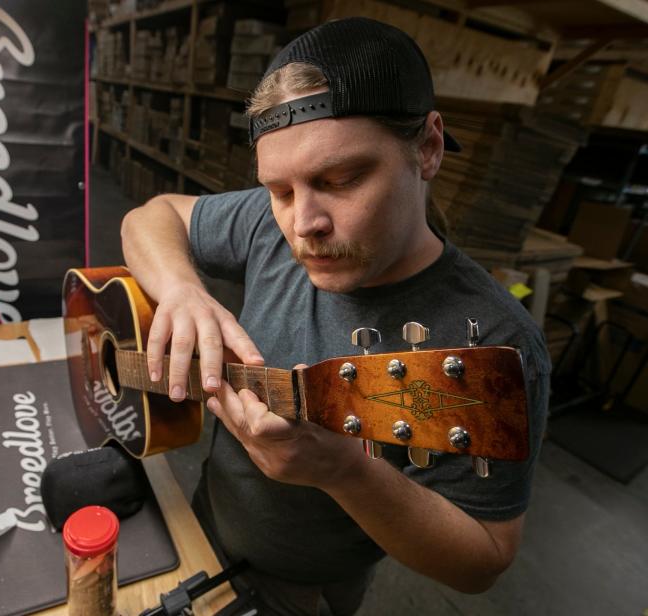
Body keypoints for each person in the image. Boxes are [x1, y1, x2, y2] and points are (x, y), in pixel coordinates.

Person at [120, 17, 550, 616]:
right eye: (280, 190)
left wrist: (346, 473)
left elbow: (483, 559)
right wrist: (181, 290)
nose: (303, 224)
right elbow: (150, 215)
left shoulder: (494, 342)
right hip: (202, 526)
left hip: (305, 590)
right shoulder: (272, 222)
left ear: (427, 149)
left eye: (342, 179)